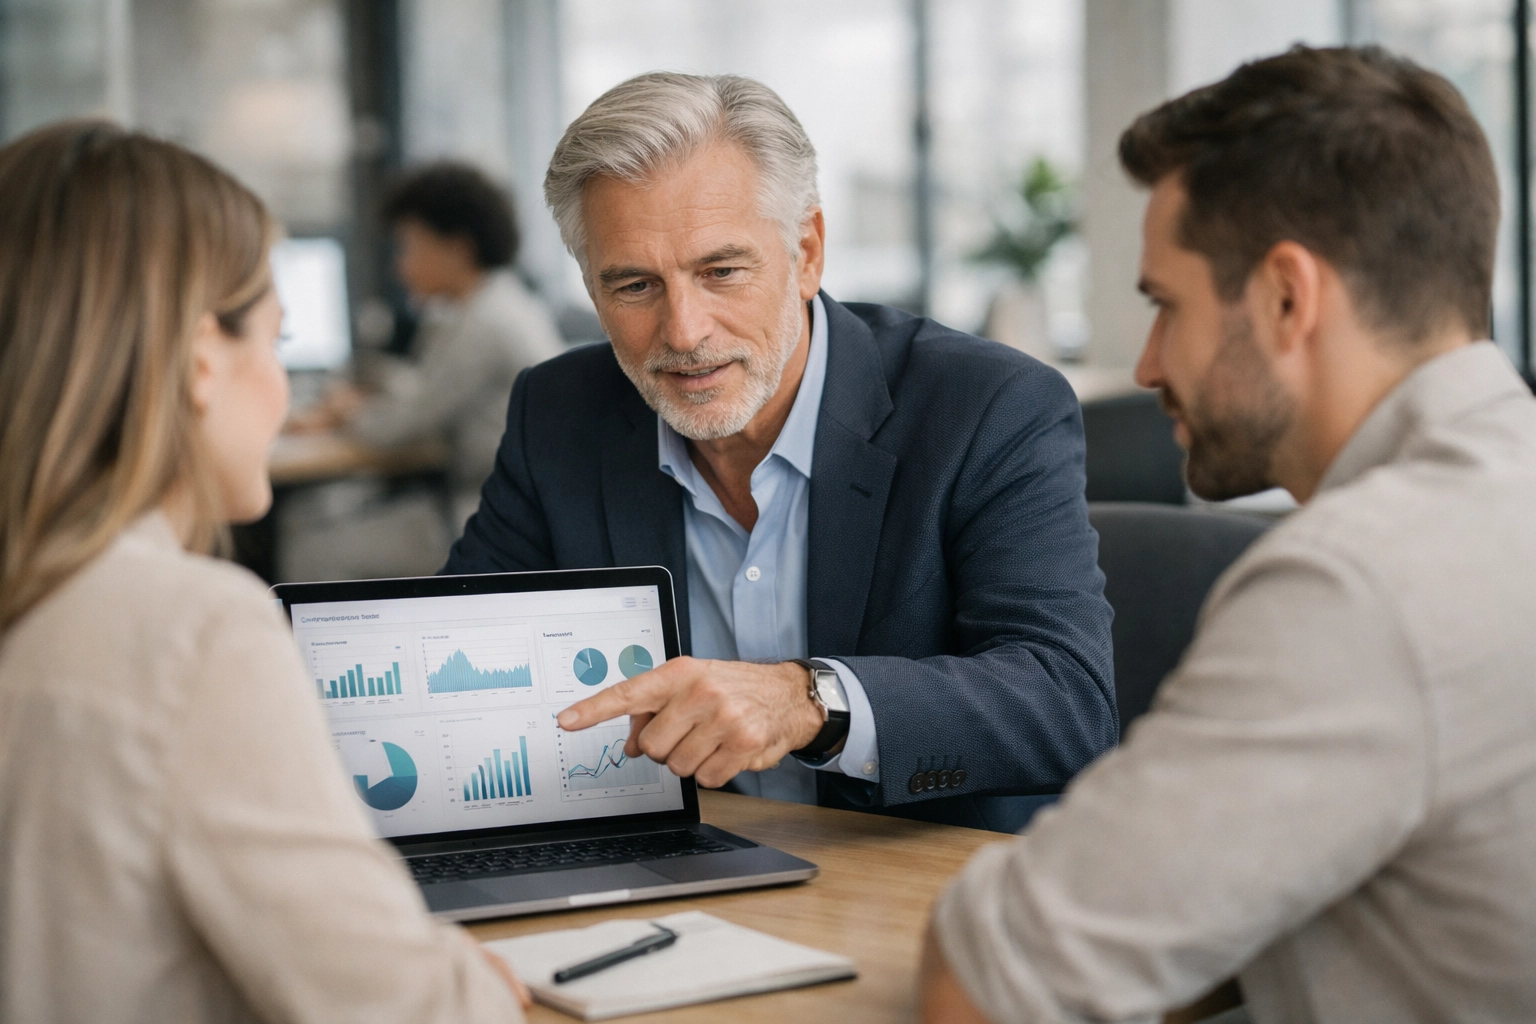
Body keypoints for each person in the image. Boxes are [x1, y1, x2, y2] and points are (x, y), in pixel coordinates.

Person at [922, 45, 1536, 1023]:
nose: (1153, 363)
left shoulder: (1358, 587)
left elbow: (991, 984)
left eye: (1166, 304)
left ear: (1288, 297)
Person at [444, 72, 1116, 828]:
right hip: (679, 874)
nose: (685, 331)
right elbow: (465, 665)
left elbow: (1066, 702)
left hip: (919, 886)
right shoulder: (560, 411)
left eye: (721, 271)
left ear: (807, 253)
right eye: (634, 286)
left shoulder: (987, 407)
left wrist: (808, 700)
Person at [0, 122, 528, 1023]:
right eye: (277, 343)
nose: (280, 385)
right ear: (205, 359)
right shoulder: (195, 633)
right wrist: (471, 982)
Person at [282, 161, 564, 581]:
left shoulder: (486, 322)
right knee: (307, 514)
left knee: (311, 549)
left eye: (409, 247)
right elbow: (424, 394)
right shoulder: (493, 304)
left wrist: (341, 412)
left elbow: (395, 427)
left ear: (458, 247)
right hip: (486, 500)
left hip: (489, 518)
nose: (401, 266)